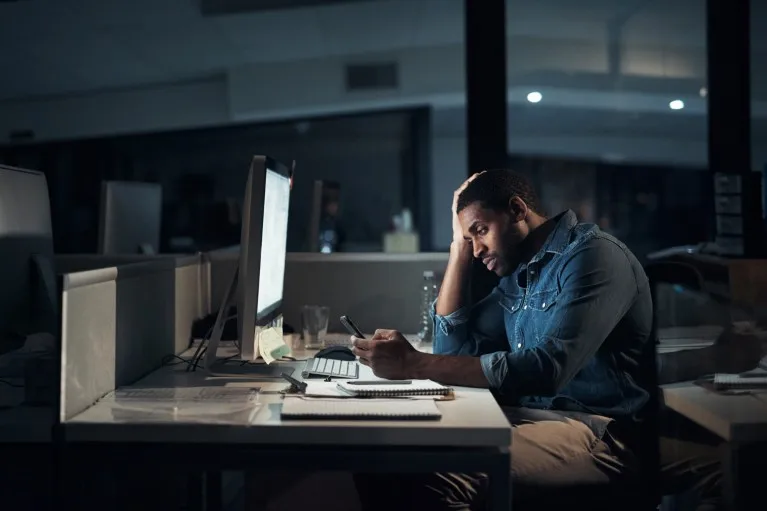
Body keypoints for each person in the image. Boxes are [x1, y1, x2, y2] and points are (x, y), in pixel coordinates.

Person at [352, 169, 655, 510]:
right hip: (537, 418)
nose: (478, 249)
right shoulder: (522, 274)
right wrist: (458, 248)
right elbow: (451, 352)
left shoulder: (593, 256)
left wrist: (412, 362)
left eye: (480, 231)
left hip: (601, 433)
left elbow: (549, 369)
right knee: (377, 456)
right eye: (470, 239)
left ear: (516, 210)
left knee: (432, 472)